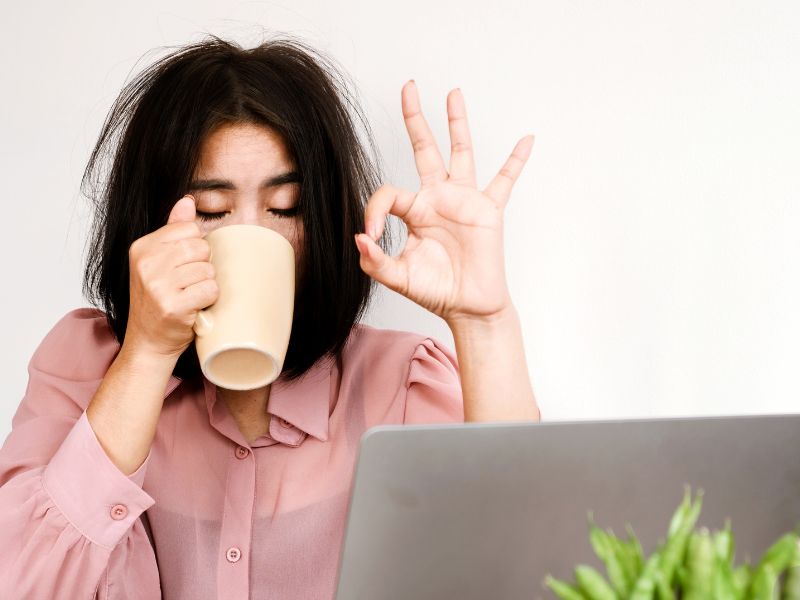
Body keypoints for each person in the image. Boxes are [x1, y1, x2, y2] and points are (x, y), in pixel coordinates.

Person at [0, 35, 540, 599]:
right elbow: (26, 585)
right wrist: (147, 354)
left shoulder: (401, 385)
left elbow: (524, 569)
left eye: (285, 208)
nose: (252, 234)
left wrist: (484, 321)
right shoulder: (84, 367)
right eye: (211, 210)